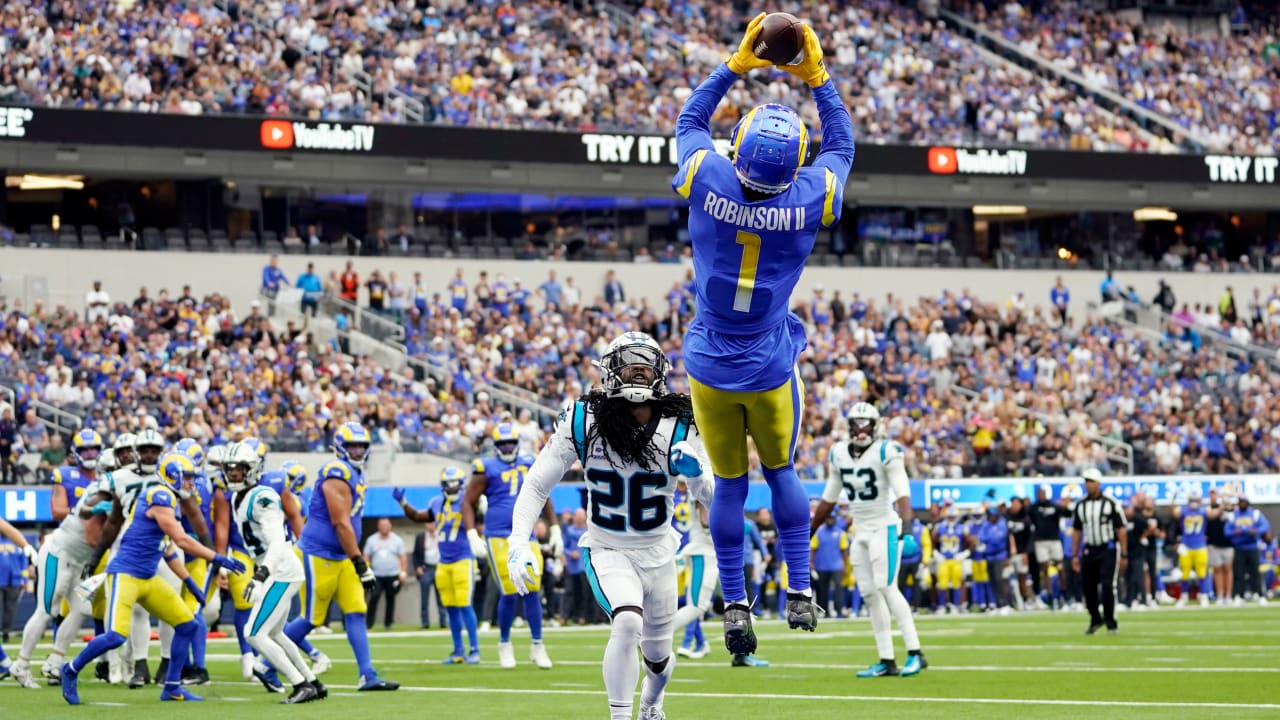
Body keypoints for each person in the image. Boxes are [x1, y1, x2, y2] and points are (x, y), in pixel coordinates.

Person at [670, 14, 854, 655]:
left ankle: (736, 605)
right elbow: (842, 148)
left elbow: (690, 124)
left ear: (739, 146)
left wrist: (735, 65)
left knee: (729, 485)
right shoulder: (807, 197)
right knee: (780, 471)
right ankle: (800, 591)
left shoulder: (709, 177)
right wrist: (818, 78)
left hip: (709, 361)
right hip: (769, 360)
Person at [503, 331, 714, 720]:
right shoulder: (583, 419)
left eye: (644, 367)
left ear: (659, 374)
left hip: (659, 552)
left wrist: (697, 475)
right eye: (629, 367)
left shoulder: (681, 422)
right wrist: (517, 543)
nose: (637, 374)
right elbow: (536, 483)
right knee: (627, 620)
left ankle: (652, 702)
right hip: (607, 548)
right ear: (610, 373)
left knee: (658, 661)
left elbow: (716, 500)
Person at [60, 453, 246, 705]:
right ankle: (70, 668)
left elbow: (167, 548)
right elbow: (181, 540)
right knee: (116, 635)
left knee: (187, 625)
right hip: (125, 574)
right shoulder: (160, 495)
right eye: (188, 477)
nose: (191, 483)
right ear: (173, 475)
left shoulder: (168, 498)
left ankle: (171, 687)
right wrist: (217, 557)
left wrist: (189, 582)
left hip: (147, 578)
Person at [810, 403, 927, 677]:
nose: (860, 429)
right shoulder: (838, 452)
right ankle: (886, 659)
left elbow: (902, 493)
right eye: (856, 423)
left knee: (887, 587)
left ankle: (915, 652)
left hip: (884, 526)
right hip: (860, 529)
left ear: (876, 426)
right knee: (870, 594)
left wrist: (907, 529)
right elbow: (830, 496)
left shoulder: (887, 450)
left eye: (866, 424)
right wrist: (809, 531)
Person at [283, 422, 399, 691]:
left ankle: (367, 674)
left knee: (356, 611)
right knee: (311, 619)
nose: (357, 451)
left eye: (361, 446)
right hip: (319, 553)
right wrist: (360, 563)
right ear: (339, 447)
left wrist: (354, 559)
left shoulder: (356, 473)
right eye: (352, 446)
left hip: (341, 555)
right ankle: (266, 662)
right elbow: (340, 523)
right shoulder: (337, 472)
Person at [225, 442, 325, 704]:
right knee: (275, 633)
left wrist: (261, 573)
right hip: (275, 569)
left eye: (239, 470)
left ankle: (299, 683)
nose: (233, 474)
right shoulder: (238, 497)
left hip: (280, 571)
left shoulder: (262, 497)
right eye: (230, 469)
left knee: (253, 633)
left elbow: (279, 541)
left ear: (252, 469)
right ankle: (313, 682)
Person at [461, 423, 559, 670]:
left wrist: (554, 527)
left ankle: (537, 644)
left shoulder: (529, 461)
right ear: (495, 446)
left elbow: (543, 494)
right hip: (498, 535)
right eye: (502, 444)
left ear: (517, 444)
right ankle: (504, 643)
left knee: (533, 587)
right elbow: (467, 501)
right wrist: (473, 534)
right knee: (509, 589)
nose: (507, 447)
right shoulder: (486, 468)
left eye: (510, 443)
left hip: (526, 534)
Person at [393, 467, 481, 664]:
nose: (451, 490)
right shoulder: (436, 502)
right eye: (447, 486)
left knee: (465, 606)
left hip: (463, 559)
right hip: (443, 562)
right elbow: (418, 517)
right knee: (450, 608)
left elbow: (480, 516)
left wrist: (482, 505)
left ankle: (475, 649)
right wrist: (403, 502)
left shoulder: (468, 502)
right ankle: (458, 651)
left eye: (454, 486)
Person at [1071, 469, 1127, 635]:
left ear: (1098, 483)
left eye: (1091, 481)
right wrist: (1074, 554)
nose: (1088, 485)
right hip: (1089, 549)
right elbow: (1076, 530)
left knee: (1108, 585)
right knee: (1088, 586)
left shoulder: (1111, 503)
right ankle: (1095, 618)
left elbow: (1121, 528)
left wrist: (1124, 553)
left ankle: (1111, 622)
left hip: (1107, 548)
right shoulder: (1080, 505)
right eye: (1086, 481)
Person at [363, 518, 407, 630]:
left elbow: (403, 557)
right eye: (382, 525)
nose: (384, 527)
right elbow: (366, 556)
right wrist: (366, 571)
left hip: (392, 574)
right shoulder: (371, 540)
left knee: (390, 598)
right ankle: (369, 624)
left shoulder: (397, 540)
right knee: (374, 597)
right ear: (378, 526)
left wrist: (403, 572)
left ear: (390, 526)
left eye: (386, 525)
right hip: (377, 575)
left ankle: (388, 624)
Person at [1171, 490, 1212, 607]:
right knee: (1184, 574)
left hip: (1200, 546)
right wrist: (1173, 501)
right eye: (1192, 500)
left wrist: (1222, 504)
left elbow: (1214, 514)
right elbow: (1173, 513)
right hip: (1186, 546)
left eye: (1196, 500)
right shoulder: (1183, 511)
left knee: (1202, 573)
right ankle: (1184, 597)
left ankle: (1204, 596)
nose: (1194, 503)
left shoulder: (1204, 511)